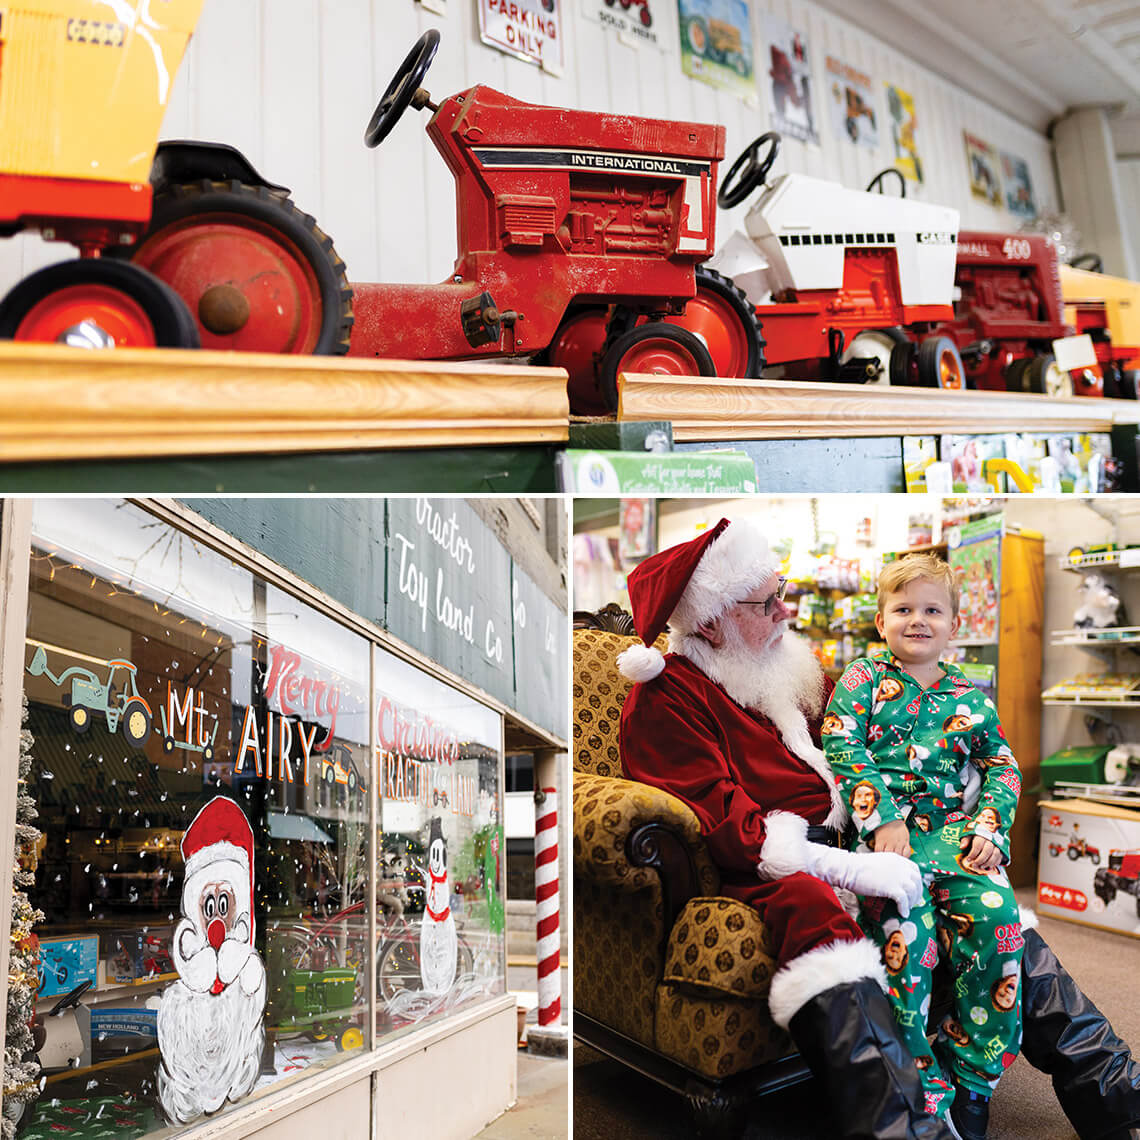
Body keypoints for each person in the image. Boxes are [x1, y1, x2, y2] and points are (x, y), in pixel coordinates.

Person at [616, 517, 1140, 1140]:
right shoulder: (669, 696)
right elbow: (727, 824)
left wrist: (974, 814)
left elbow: (904, 736)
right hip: (784, 864)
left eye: (782, 590)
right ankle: (906, 1126)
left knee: (988, 906)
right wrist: (849, 866)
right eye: (767, 602)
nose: (786, 612)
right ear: (711, 621)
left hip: (879, 836)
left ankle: (1115, 1092)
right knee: (814, 908)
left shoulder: (783, 671)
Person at [823, 553, 1023, 1139]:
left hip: (956, 837)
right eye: (903, 608)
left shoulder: (972, 696)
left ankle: (975, 1083)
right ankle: (923, 1089)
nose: (918, 619)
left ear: (953, 625)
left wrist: (990, 826)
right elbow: (843, 745)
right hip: (886, 845)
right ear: (880, 621)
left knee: (998, 921)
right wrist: (880, 817)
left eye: (932, 610)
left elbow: (1001, 765)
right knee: (906, 944)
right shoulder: (862, 678)